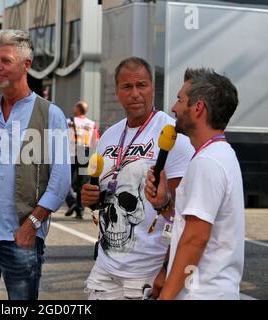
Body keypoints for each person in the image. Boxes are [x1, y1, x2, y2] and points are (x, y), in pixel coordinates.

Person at [0, 29, 71, 300]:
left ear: (26, 65)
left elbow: (60, 180)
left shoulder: (50, 114)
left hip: (19, 236)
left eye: (6, 61)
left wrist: (31, 224)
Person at [80, 57, 194, 300]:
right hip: (106, 267)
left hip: (147, 272)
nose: (135, 94)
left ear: (152, 88)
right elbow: (105, 195)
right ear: (117, 91)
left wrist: (167, 271)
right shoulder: (110, 135)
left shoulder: (173, 137)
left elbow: (186, 214)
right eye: (127, 87)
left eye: (141, 85)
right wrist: (92, 199)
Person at [144, 68, 244, 300]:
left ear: (198, 108)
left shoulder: (207, 161)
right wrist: (163, 204)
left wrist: (166, 297)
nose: (174, 108)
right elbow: (197, 226)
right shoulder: (220, 154)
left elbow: (196, 238)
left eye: (180, 100)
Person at [65, 100, 99, 219]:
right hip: (86, 153)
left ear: (77, 109)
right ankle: (80, 210)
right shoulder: (91, 124)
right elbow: (95, 141)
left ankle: (72, 202)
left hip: (71, 153)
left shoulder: (68, 121)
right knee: (81, 183)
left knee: (65, 180)